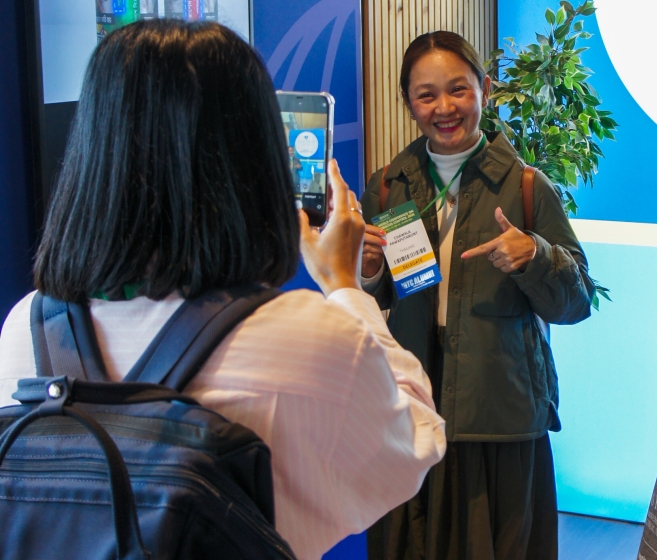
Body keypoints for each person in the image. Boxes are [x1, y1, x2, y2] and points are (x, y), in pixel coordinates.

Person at [0, 20, 446, 560]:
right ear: (252, 158)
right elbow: (416, 442)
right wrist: (345, 287)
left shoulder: (26, 331)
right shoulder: (307, 335)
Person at [360, 31, 595, 560]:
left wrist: (536, 256)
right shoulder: (387, 188)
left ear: (484, 91)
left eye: (458, 90)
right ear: (409, 103)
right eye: (426, 95)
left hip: (499, 415)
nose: (444, 108)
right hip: (412, 408)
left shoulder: (528, 187)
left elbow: (577, 302)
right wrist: (370, 273)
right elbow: (381, 302)